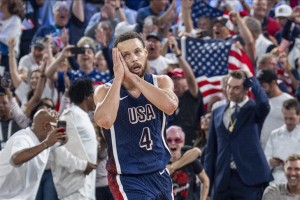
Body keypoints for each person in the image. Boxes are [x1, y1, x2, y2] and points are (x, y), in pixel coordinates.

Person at [94, 31, 178, 199]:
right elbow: (104, 120)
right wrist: (119, 79)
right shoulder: (104, 90)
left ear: (145, 52)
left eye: (137, 52)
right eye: (126, 55)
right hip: (127, 177)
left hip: (159, 172)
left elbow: (170, 106)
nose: (133, 58)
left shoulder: (161, 81)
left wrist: (134, 79)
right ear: (118, 61)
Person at [204, 70, 273, 200]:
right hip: (222, 178)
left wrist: (252, 79)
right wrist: (207, 184)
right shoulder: (217, 112)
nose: (230, 91)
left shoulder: (254, 109)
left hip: (248, 179)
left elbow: (264, 103)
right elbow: (211, 151)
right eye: (229, 86)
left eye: (236, 88)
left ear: (246, 89)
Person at [0, 109, 67, 200]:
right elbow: (16, 159)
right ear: (46, 126)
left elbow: (63, 141)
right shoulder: (23, 138)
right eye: (55, 127)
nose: (57, 130)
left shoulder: (45, 142)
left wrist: (60, 129)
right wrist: (46, 144)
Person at [51, 78, 98, 200]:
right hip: (75, 190)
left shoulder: (83, 116)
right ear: (87, 96)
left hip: (86, 186)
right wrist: (83, 165)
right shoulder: (68, 116)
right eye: (94, 94)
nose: (96, 98)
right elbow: (56, 149)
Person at [166, 125, 209, 200]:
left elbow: (205, 181)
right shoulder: (159, 162)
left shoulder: (189, 158)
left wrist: (172, 167)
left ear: (182, 142)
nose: (173, 143)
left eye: (177, 140)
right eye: (169, 140)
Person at [264, 99, 300, 185]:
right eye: (285, 118)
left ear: (299, 115)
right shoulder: (275, 134)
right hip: (276, 181)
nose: (288, 122)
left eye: (291, 118)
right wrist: (270, 161)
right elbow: (266, 157)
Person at [257, 69, 293, 149]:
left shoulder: (288, 101)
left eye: (263, 86)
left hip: (282, 151)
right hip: (264, 150)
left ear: (273, 83)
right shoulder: (261, 102)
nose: (261, 90)